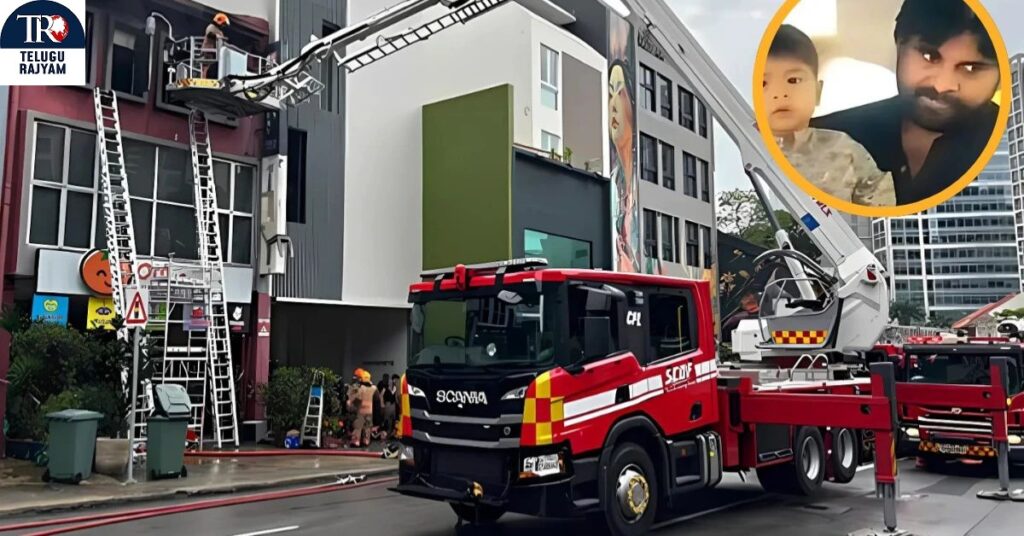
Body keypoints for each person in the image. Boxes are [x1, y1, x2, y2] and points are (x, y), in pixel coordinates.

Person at [811, 0, 1000, 205]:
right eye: (929, 56)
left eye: (971, 69)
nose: (942, 85)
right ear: (899, 42)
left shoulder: (1013, 151)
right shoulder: (819, 139)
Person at [763, 25, 896, 207]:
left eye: (793, 80)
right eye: (763, 83)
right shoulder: (750, 149)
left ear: (817, 92)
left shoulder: (843, 146)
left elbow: (877, 193)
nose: (780, 93)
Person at [347, 369, 376, 448]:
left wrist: (350, 402)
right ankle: (366, 440)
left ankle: (356, 441)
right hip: (369, 410)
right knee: (367, 426)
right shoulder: (373, 388)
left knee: (358, 425)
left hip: (361, 409)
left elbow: (357, 398)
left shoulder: (360, 388)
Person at [201, 12, 230, 78]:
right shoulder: (211, 27)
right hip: (208, 51)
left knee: (212, 67)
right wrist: (217, 36)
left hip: (214, 52)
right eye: (223, 24)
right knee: (206, 67)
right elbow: (209, 34)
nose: (223, 26)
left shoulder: (219, 31)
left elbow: (221, 40)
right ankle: (203, 78)